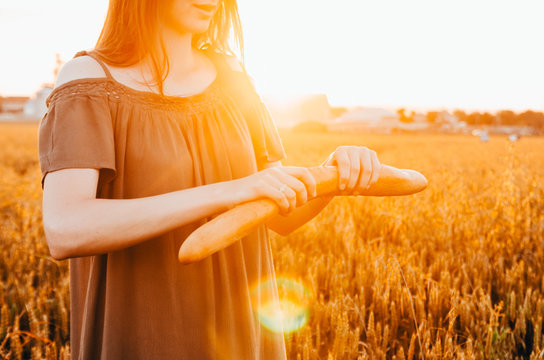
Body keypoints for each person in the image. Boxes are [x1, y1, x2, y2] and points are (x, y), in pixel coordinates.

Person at [38, 0, 381, 358]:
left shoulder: (233, 77)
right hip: (145, 328)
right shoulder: (88, 77)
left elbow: (280, 212)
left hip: (239, 330)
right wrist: (232, 191)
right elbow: (66, 227)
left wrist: (333, 173)